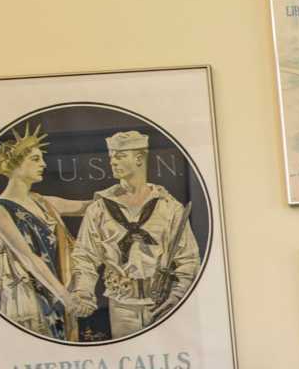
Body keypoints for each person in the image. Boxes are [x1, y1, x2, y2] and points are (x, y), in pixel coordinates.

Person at [66, 130, 199, 337]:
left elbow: (188, 258)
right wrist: (83, 292)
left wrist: (178, 294)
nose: (113, 162)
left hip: (165, 301)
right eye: (111, 157)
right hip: (121, 303)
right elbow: (85, 256)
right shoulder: (99, 209)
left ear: (138, 158)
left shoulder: (169, 207)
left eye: (120, 156)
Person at [0, 123, 92, 340]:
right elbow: (28, 257)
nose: (43, 164)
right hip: (28, 297)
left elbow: (89, 206)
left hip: (57, 289)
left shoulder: (41, 201)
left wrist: (127, 192)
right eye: (35, 159)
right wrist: (66, 297)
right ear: (15, 166)